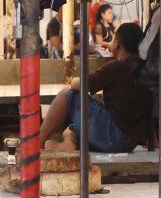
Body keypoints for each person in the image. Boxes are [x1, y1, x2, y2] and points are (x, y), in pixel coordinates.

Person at [40, 23, 151, 153]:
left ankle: (37, 141)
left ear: (117, 44)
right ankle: (68, 144)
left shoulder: (116, 67)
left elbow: (79, 85)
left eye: (113, 39)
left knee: (67, 94)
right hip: (129, 143)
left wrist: (74, 80)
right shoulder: (144, 68)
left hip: (113, 134)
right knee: (73, 128)